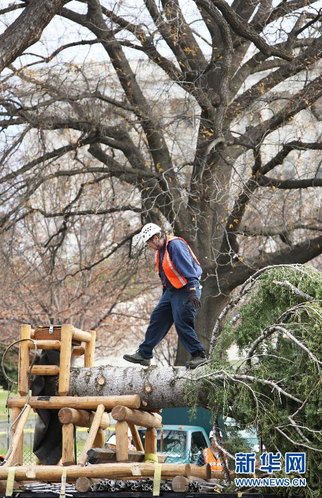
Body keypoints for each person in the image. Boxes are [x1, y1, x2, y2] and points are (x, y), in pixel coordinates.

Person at [123, 223, 206, 369]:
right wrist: (164, 293)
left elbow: (189, 269)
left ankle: (199, 355)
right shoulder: (160, 250)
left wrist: (193, 289)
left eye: (149, 243)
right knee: (158, 318)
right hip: (172, 291)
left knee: (181, 321)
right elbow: (166, 274)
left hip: (187, 289)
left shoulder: (175, 246)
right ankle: (144, 354)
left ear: (155, 238)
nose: (149, 246)